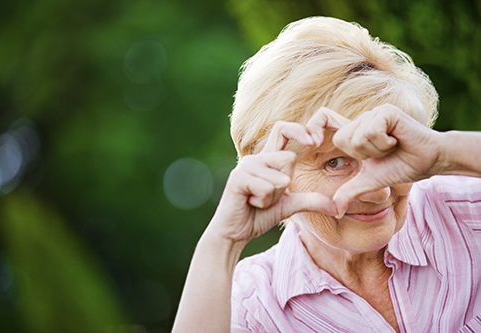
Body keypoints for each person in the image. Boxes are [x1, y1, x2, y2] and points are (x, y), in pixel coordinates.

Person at [172, 16, 481, 332]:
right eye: (335, 162)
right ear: (267, 169)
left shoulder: (467, 212)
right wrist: (223, 241)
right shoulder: (253, 307)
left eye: (388, 152)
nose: (379, 193)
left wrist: (446, 152)